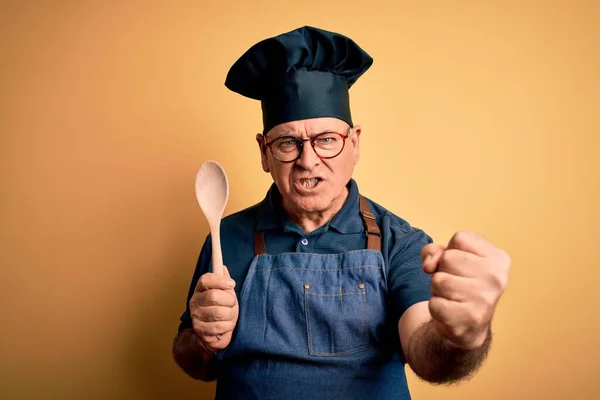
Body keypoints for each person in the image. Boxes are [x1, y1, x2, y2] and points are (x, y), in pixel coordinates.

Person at [172, 26, 511, 400]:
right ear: (264, 152)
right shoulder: (225, 237)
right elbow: (194, 362)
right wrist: (203, 340)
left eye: (326, 140)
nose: (308, 161)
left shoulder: (400, 242)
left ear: (354, 143)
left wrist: (461, 337)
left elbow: (427, 354)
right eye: (288, 143)